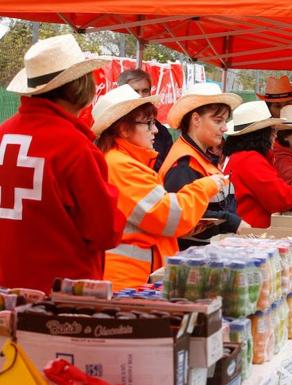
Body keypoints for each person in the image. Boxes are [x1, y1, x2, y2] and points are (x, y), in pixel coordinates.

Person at [0, 34, 124, 293]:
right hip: (60, 298)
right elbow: (106, 231)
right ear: (80, 86)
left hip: (6, 292)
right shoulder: (75, 147)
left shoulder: (2, 134)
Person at [92, 85, 226, 290]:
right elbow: (169, 216)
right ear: (123, 129)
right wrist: (204, 187)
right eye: (148, 123)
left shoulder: (121, 161)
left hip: (133, 280)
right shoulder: (120, 165)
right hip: (129, 283)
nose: (155, 130)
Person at [159, 83, 248, 250]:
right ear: (196, 119)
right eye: (218, 121)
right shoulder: (184, 164)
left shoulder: (198, 157)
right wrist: (231, 221)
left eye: (225, 120)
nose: (225, 127)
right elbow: (181, 216)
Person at [223, 101, 292, 228]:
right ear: (262, 134)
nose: (274, 135)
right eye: (272, 130)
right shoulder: (250, 159)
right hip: (250, 235)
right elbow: (280, 198)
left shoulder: (241, 157)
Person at [117, 69, 173, 172]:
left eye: (145, 91)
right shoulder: (111, 130)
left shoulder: (162, 132)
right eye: (135, 91)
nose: (140, 96)